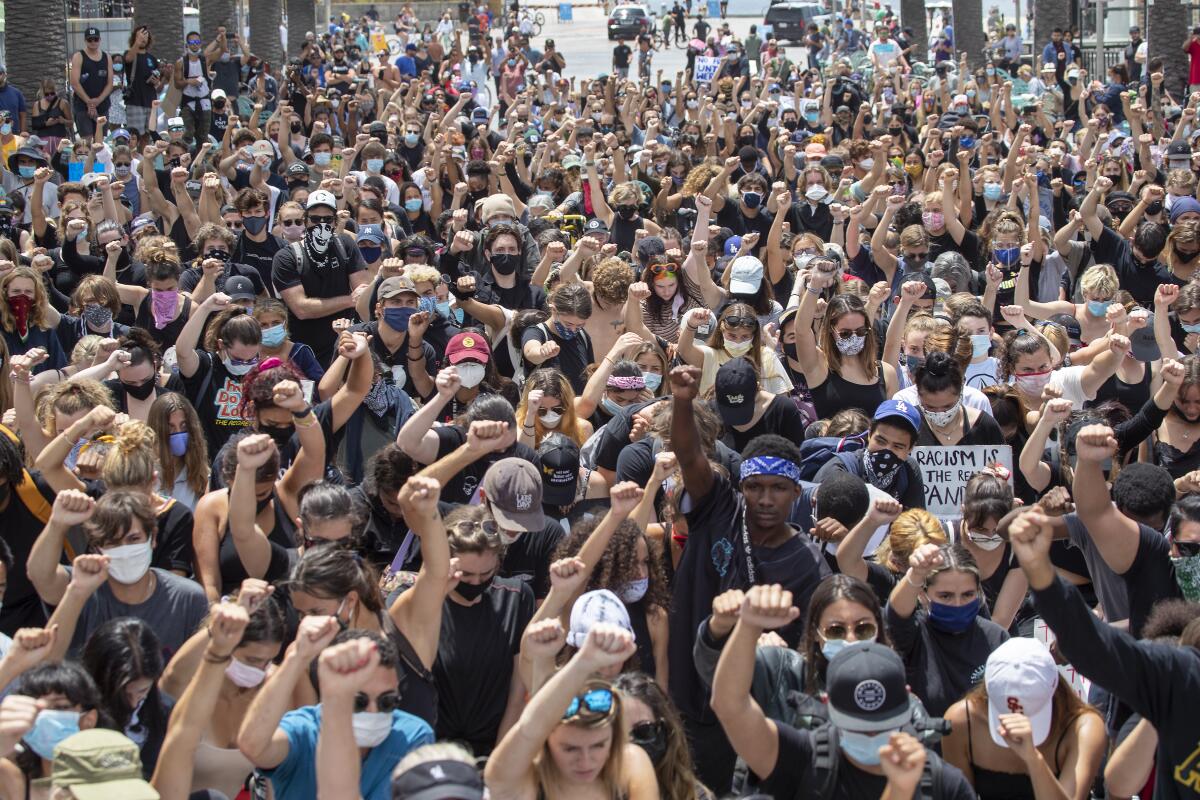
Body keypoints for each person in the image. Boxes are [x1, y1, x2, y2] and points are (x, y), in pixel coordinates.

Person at [710, 585, 978, 799]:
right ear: (824, 704)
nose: (872, 735)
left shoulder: (943, 784)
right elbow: (729, 705)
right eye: (857, 728)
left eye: (884, 725)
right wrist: (748, 626)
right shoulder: (802, 759)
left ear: (909, 702)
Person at [485, 623, 659, 799]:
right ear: (545, 739)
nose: (585, 762)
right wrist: (584, 661)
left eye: (599, 745)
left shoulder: (630, 766)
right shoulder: (524, 783)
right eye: (570, 749)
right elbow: (527, 729)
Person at [942, 637, 1107, 799]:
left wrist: (1033, 760)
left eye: (1032, 712)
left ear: (1053, 689)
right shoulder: (961, 721)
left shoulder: (1083, 728)